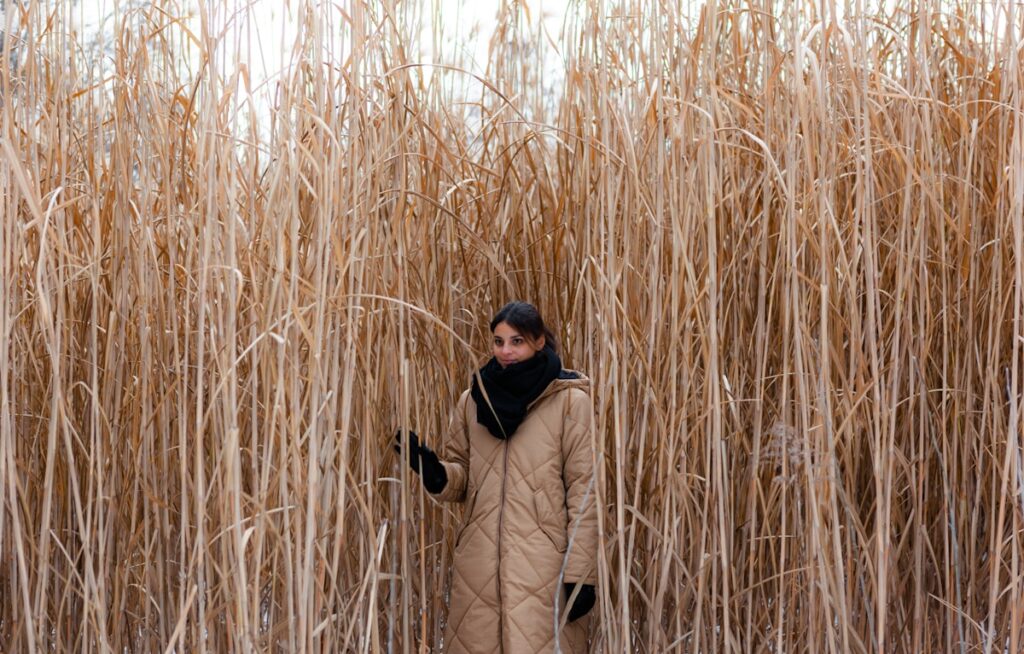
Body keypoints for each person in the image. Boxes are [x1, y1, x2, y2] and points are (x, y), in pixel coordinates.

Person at [395, 300, 598, 653]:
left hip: (542, 565)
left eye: (516, 341)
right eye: (498, 341)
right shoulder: (473, 401)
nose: (505, 351)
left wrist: (581, 576)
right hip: (480, 563)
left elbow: (585, 491)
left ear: (538, 342)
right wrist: (433, 470)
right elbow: (463, 478)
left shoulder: (570, 403)